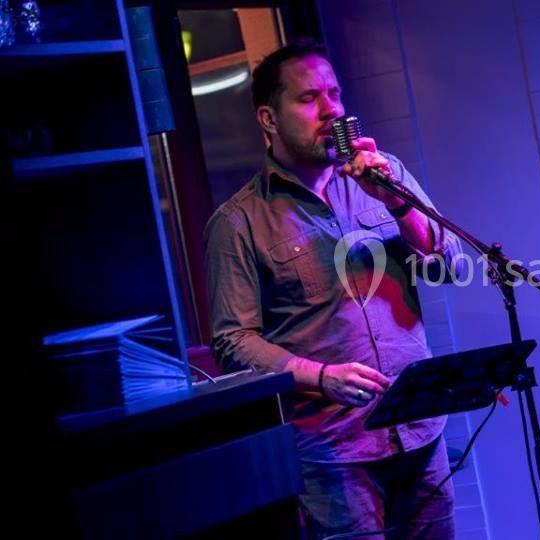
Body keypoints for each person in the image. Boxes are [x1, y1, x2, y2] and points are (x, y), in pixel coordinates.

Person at [203, 37, 463, 539]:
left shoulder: (385, 176)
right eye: (308, 98)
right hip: (337, 454)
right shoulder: (238, 222)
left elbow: (446, 265)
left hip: (420, 432)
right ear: (269, 120)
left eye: (335, 94)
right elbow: (233, 342)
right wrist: (320, 376)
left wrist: (396, 203)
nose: (331, 110)